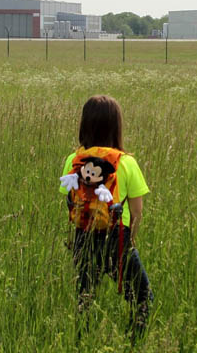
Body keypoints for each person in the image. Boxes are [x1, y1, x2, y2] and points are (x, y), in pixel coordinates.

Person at [59, 95, 153, 342]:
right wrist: (130, 241)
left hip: (83, 237)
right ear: (116, 126)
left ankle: (81, 342)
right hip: (116, 239)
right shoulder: (126, 163)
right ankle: (134, 342)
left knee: (85, 298)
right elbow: (137, 213)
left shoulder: (74, 160)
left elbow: (69, 203)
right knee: (142, 295)